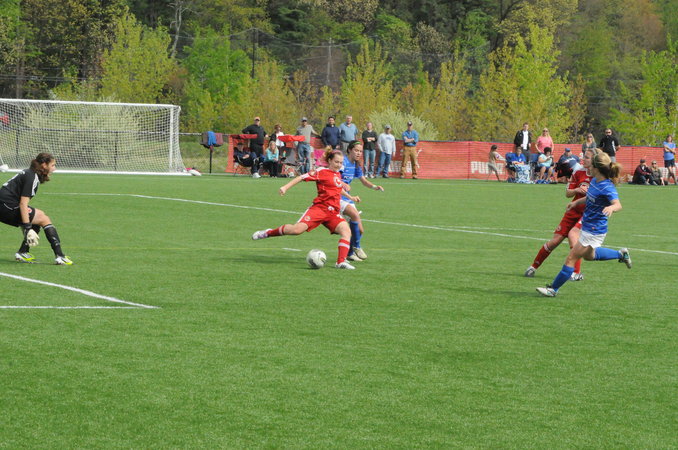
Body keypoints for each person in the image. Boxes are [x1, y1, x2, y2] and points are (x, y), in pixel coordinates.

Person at [536, 151, 631, 297]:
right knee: (589, 256)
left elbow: (618, 205)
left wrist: (611, 208)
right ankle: (621, 254)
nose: (588, 167)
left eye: (591, 165)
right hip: (588, 226)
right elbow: (589, 197)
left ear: (596, 168)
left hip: (594, 230)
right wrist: (576, 203)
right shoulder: (594, 181)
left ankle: (553, 289)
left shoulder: (607, 187)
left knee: (571, 258)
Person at [251, 148, 361, 270]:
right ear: (330, 161)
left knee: (346, 231)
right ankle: (268, 233)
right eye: (336, 162)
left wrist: (350, 197)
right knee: (296, 230)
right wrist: (285, 187)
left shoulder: (337, 173)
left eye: (340, 162)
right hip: (319, 209)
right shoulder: (321, 171)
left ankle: (340, 262)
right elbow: (301, 177)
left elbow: (337, 188)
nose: (339, 165)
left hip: (332, 213)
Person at [525, 148, 595, 280]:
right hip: (573, 210)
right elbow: (568, 193)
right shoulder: (578, 172)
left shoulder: (599, 177)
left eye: (587, 157)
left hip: (587, 214)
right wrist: (577, 190)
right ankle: (533, 267)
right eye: (584, 156)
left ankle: (575, 273)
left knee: (573, 237)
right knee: (555, 241)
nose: (583, 159)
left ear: (594, 160)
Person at [0, 152, 72, 265]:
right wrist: (27, 228)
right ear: (44, 165)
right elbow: (23, 204)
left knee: (37, 219)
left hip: (4, 205)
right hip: (7, 206)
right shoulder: (32, 177)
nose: (54, 169)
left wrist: (28, 226)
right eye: (53, 165)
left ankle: (23, 252)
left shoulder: (28, 172)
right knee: (43, 218)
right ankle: (60, 256)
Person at [340, 141, 384, 262]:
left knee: (360, 230)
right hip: (338, 198)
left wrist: (374, 187)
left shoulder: (355, 165)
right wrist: (342, 184)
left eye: (360, 151)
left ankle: (349, 253)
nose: (359, 153)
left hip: (348, 199)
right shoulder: (342, 162)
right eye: (356, 150)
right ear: (349, 150)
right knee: (354, 216)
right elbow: (334, 178)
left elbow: (364, 181)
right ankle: (357, 247)